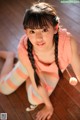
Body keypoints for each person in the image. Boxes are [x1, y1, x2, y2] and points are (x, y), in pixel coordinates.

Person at [0, 2, 80, 120]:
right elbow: (36, 80)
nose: (38, 38)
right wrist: (49, 106)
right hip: (29, 63)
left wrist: (47, 105)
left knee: (35, 99)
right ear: (26, 32)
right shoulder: (25, 50)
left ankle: (27, 73)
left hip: (51, 70)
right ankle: (10, 57)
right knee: (4, 89)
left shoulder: (68, 42)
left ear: (55, 28)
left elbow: (78, 71)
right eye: (32, 31)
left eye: (44, 30)